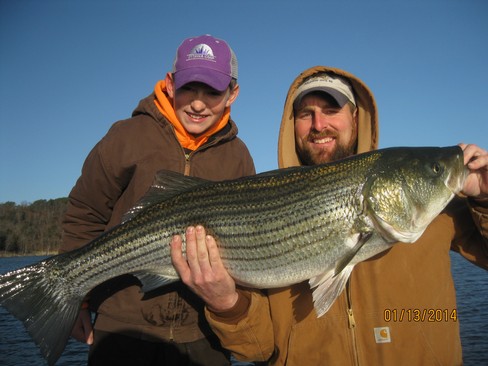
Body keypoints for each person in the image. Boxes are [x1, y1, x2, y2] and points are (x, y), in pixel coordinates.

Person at [170, 65, 488, 365]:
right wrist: (225, 303)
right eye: (305, 114)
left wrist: (486, 198)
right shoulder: (264, 204)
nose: (319, 125)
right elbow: (258, 348)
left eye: (331, 110)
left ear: (356, 116)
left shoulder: (445, 207)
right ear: (291, 125)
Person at [60, 34, 256, 365]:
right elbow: (85, 213)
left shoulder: (238, 157)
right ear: (170, 83)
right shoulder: (126, 137)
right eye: (189, 88)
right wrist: (76, 300)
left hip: (204, 333)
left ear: (232, 93)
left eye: (212, 91)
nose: (197, 102)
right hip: (121, 329)